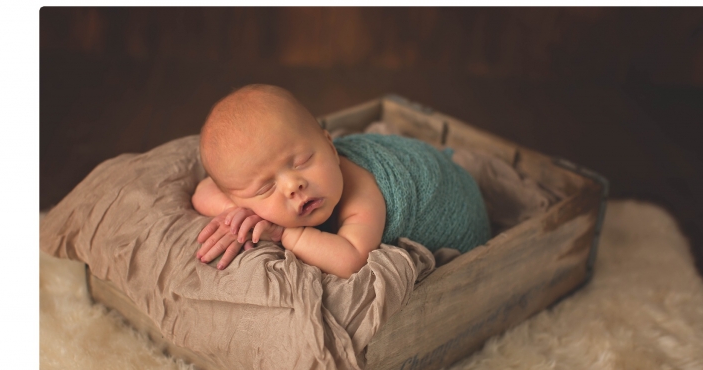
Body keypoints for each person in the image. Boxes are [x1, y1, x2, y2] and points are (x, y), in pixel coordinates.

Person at [192, 84, 491, 278]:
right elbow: (203, 193)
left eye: (302, 162)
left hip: (455, 210)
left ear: (331, 146)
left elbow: (352, 259)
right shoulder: (252, 192)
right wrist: (240, 213)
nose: (292, 185)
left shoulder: (363, 195)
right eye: (265, 188)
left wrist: (285, 233)